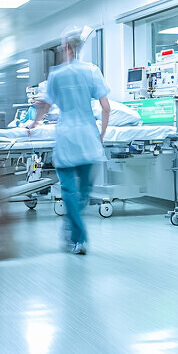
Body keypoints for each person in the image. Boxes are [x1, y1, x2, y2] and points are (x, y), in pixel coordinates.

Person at [29, 28, 110, 255]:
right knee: (83, 192)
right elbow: (106, 108)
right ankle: (75, 231)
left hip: (66, 138)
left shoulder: (56, 74)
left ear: (65, 47)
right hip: (87, 138)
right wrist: (101, 136)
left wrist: (35, 123)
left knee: (69, 191)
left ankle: (77, 237)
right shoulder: (92, 71)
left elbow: (44, 105)